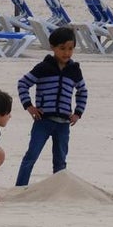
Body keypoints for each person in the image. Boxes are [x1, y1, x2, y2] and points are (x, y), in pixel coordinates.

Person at [14, 26, 88, 186]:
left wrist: (78, 113)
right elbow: (22, 84)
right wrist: (29, 106)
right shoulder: (43, 67)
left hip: (63, 124)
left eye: (70, 49)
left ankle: (58, 191)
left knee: (60, 161)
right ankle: (20, 189)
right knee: (31, 156)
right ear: (52, 47)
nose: (66, 53)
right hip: (43, 121)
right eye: (62, 49)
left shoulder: (75, 70)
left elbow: (82, 91)